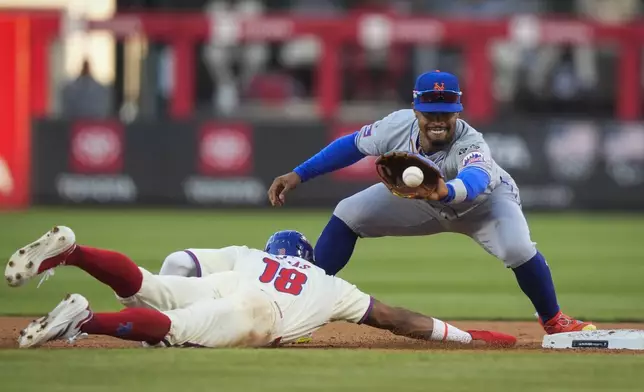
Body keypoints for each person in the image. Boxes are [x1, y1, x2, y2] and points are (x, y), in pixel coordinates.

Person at [267, 70, 596, 335]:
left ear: (458, 111)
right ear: (416, 109)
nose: (438, 118)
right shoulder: (396, 126)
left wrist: (445, 192)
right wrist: (299, 174)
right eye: (430, 111)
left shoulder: (471, 141)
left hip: (486, 204)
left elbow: (476, 180)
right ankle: (300, 303)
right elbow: (350, 146)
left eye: (446, 111)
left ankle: (554, 320)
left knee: (518, 249)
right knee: (348, 214)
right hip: (425, 200)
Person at [5, 226, 515, 349]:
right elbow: (396, 318)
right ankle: (85, 319)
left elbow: (180, 262)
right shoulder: (331, 285)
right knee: (175, 333)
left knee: (148, 284)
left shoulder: (253, 254)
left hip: (227, 282)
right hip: (259, 313)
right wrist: (465, 336)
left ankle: (73, 252)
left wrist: (164, 287)